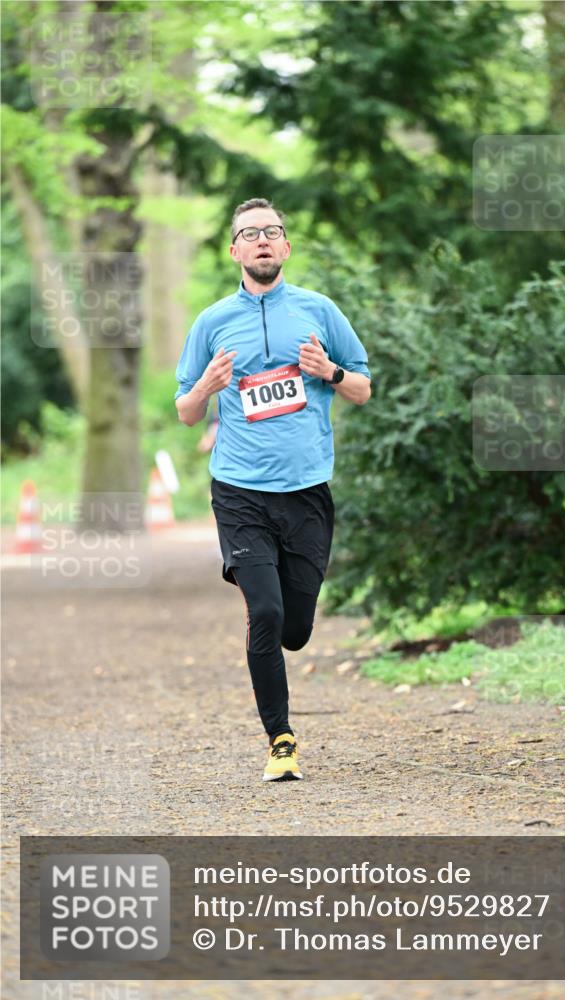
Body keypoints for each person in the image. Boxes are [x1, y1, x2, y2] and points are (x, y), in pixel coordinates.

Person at [174, 198, 371, 782]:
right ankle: (280, 738)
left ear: (285, 246)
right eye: (249, 234)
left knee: (294, 629)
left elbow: (362, 387)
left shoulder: (319, 311)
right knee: (264, 610)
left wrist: (329, 373)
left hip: (307, 490)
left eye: (272, 232)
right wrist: (206, 386)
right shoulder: (211, 322)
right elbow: (186, 412)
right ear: (235, 250)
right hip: (239, 491)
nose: (261, 240)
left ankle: (284, 616)